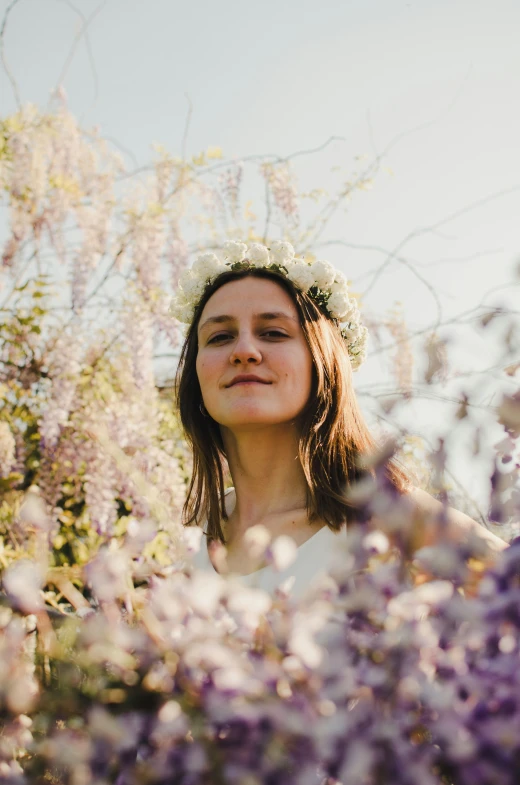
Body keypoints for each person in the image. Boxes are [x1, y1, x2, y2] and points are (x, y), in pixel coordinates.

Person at [172, 241, 507, 598]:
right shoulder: (187, 544)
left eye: (273, 333)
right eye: (220, 337)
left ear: (324, 364)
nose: (244, 352)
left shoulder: (390, 519)